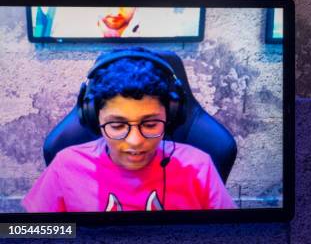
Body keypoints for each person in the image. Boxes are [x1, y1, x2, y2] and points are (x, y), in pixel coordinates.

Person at [22, 48, 236, 212]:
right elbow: (32, 232)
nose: (135, 141)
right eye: (117, 125)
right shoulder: (65, 166)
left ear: (171, 116)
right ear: (93, 117)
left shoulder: (198, 167)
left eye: (150, 124)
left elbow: (229, 234)